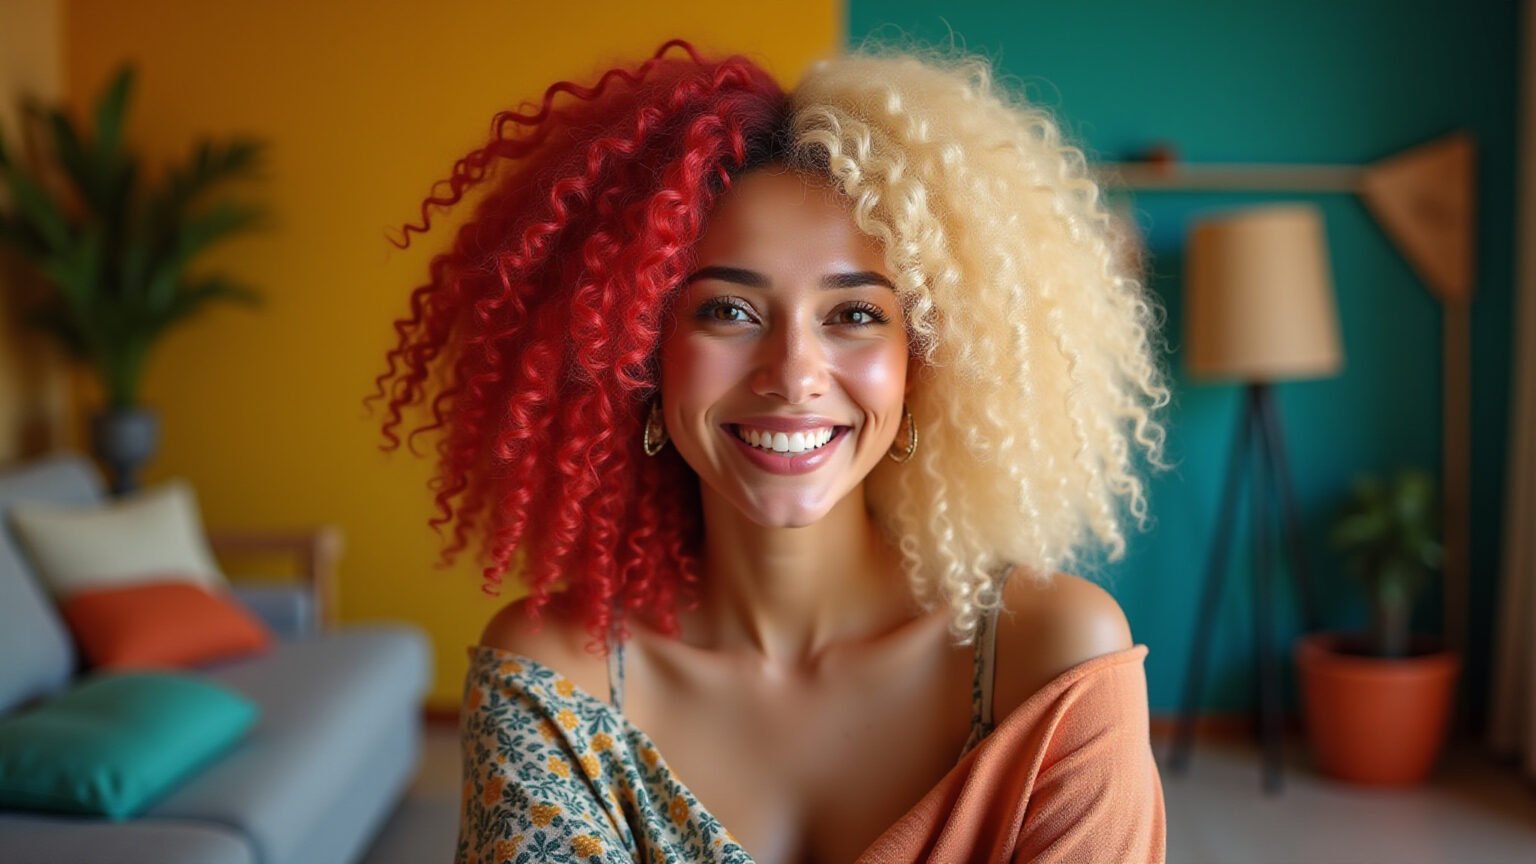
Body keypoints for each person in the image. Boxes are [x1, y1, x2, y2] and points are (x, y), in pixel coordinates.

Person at [372, 36, 1172, 864]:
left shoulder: (1050, 658)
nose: (793, 375)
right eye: (728, 311)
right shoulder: (552, 683)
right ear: (637, 353)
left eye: (855, 314)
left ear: (925, 362)